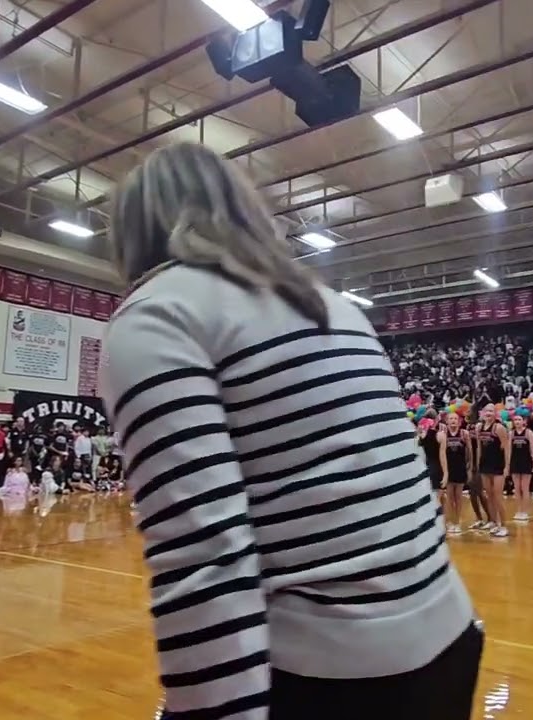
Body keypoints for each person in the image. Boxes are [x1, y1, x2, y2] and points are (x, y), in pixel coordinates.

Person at [101, 143, 479, 720]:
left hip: (334, 674)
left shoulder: (157, 314)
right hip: (447, 637)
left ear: (134, 230)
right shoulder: (334, 305)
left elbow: (204, 555)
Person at [474, 405, 511, 537]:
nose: (488, 413)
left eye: (491, 411)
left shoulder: (499, 428)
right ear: (482, 413)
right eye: (486, 411)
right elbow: (479, 447)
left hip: (498, 466)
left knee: (498, 497)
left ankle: (504, 526)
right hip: (485, 465)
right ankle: (493, 522)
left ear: (495, 414)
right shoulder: (478, 428)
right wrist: (478, 463)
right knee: (489, 496)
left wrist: (507, 466)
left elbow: (507, 448)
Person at [437, 412, 472, 534]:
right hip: (448, 469)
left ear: (459, 421)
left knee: (458, 498)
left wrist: (470, 468)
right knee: (449, 498)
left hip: (460, 468)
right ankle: (450, 522)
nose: (453, 421)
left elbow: (470, 452)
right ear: (446, 421)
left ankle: (457, 522)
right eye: (451, 418)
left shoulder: (464, 434)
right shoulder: (443, 434)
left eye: (455, 419)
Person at [508, 413, 533, 521]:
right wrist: (508, 464)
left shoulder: (529, 433)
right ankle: (518, 510)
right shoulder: (511, 434)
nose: (517, 422)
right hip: (515, 462)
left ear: (523, 421)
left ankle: (525, 511)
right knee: (517, 488)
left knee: (525, 488)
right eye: (515, 420)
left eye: (519, 419)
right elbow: (509, 451)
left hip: (526, 462)